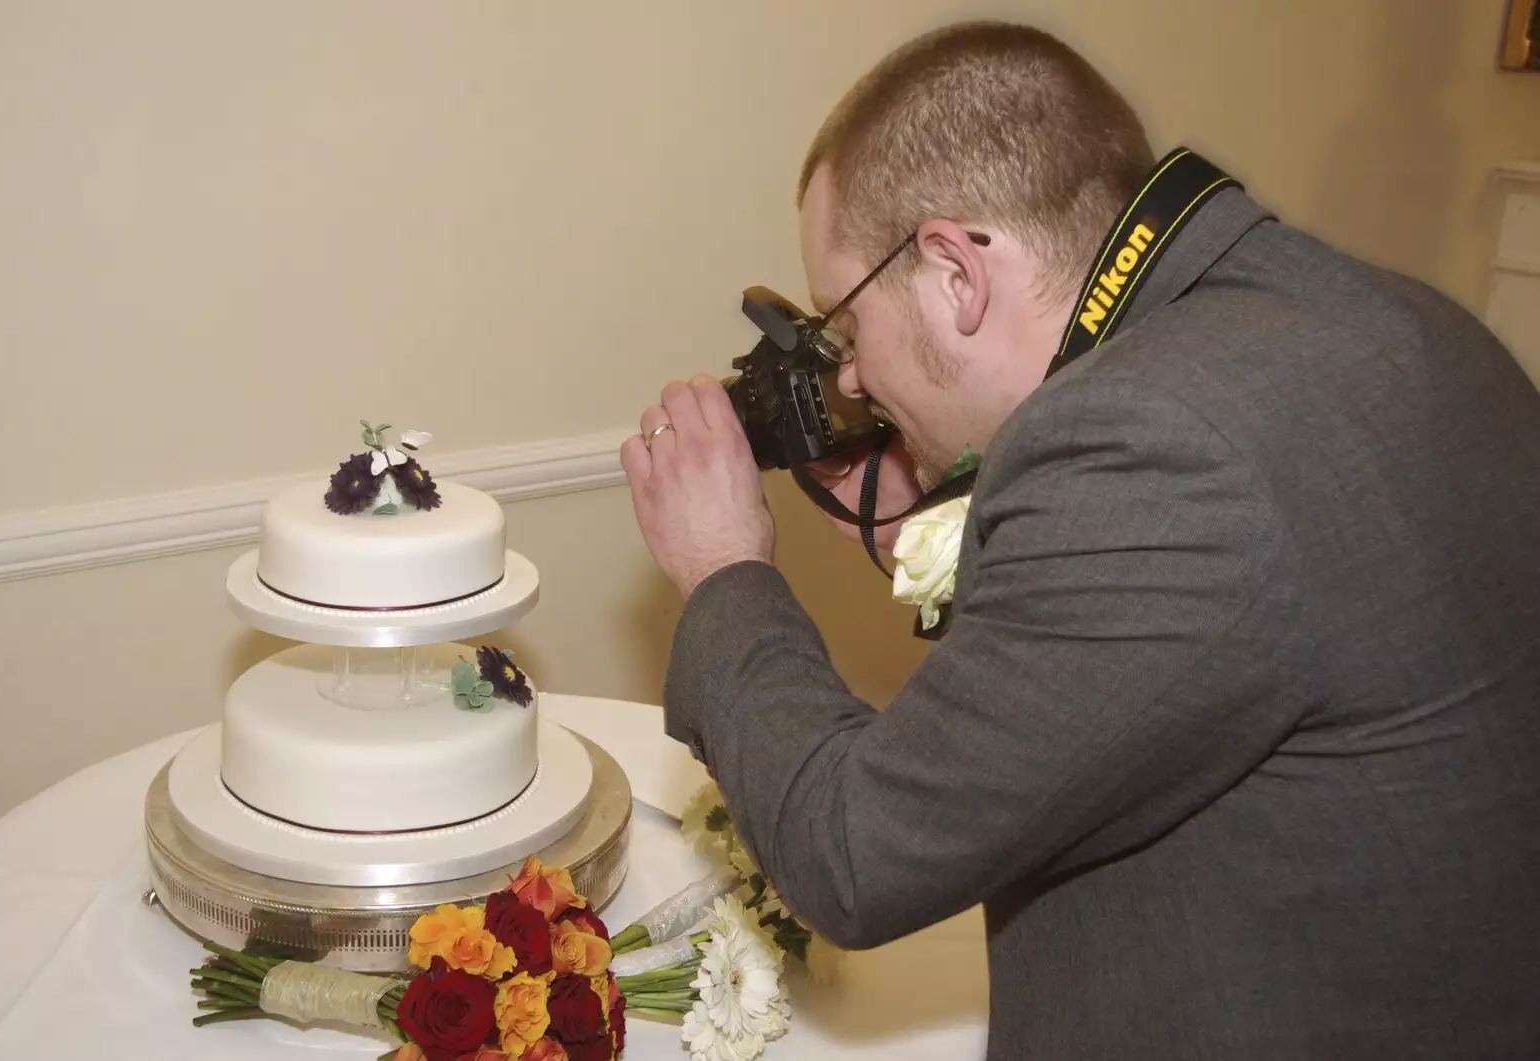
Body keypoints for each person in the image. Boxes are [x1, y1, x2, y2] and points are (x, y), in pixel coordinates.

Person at [618, 20, 1540, 1061]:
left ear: (955, 270)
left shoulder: (1158, 444)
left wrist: (724, 568)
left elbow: (854, 853)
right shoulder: (1370, 318)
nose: (858, 377)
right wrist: (926, 532)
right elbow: (1181, 648)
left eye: (849, 323)